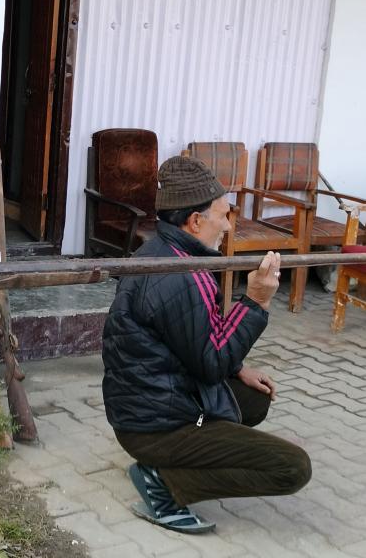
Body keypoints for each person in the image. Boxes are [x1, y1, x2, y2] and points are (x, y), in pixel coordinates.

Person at [102, 155, 311, 534]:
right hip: (156, 425)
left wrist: (238, 368)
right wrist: (257, 302)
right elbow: (210, 363)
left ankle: (171, 462)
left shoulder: (165, 253)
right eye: (224, 215)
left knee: (254, 399)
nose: (229, 226)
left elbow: (197, 344)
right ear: (195, 221)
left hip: (150, 406)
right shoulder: (178, 276)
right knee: (293, 467)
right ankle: (165, 485)